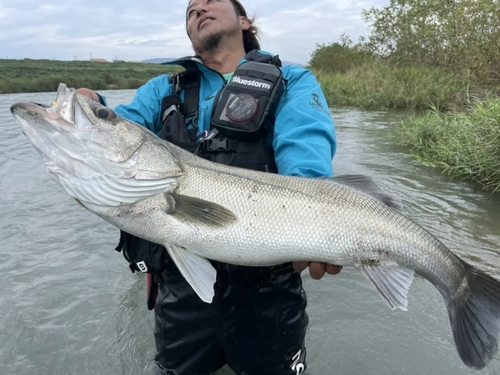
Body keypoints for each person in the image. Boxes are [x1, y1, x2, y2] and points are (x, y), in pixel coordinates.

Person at [77, 1, 341, 374]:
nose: (198, 8)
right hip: (180, 281)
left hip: (268, 285)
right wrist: (92, 107)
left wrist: (318, 222)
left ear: (244, 20)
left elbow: (306, 155)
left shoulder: (293, 80)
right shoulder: (161, 89)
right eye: (189, 10)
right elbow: (122, 132)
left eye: (209, 1)